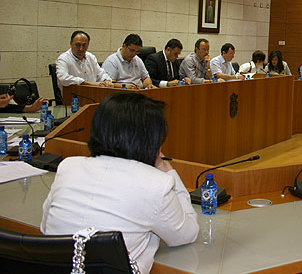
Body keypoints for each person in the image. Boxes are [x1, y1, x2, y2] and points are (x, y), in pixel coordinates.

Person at [41, 92, 198, 274]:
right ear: (150, 140)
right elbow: (186, 234)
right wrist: (168, 171)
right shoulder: (156, 183)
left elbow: (45, 227)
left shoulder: (68, 166)